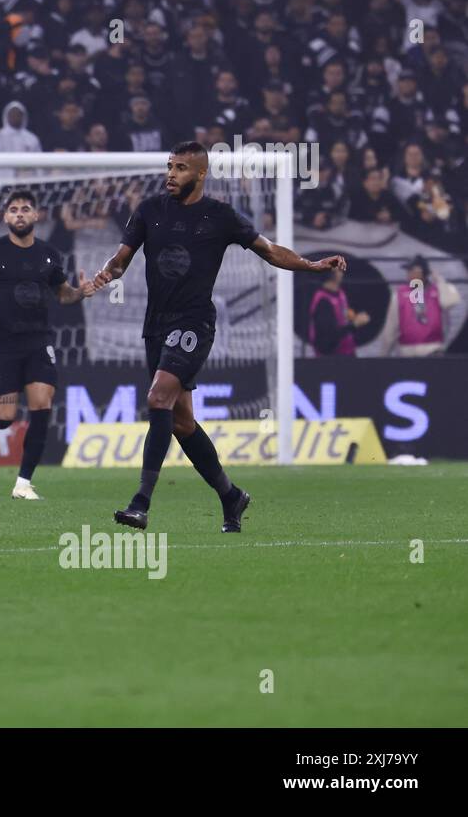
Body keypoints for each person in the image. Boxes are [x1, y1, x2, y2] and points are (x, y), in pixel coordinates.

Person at [91, 141, 347, 532]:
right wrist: (105, 274)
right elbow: (122, 258)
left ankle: (140, 502)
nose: (170, 174)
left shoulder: (219, 216)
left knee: (158, 397)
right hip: (156, 325)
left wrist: (311, 265)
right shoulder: (149, 211)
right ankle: (231, 496)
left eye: (179, 168)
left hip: (194, 323)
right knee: (181, 421)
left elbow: (269, 250)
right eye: (169, 166)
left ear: (200, 173)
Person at [0, 189, 99, 500]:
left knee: (42, 404)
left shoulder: (48, 254)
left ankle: (23, 483)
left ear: (36, 215)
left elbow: (63, 294)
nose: (20, 214)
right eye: (13, 209)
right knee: (6, 416)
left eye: (25, 209)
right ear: (6, 217)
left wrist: (81, 291)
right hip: (3, 343)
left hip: (39, 340)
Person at [378, 256, 461, 356]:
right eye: (408, 271)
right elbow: (390, 328)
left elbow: (449, 303)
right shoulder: (399, 294)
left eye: (412, 271)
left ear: (424, 273)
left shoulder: (440, 290)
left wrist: (439, 280)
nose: (408, 275)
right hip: (407, 352)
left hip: (433, 351)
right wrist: (383, 355)